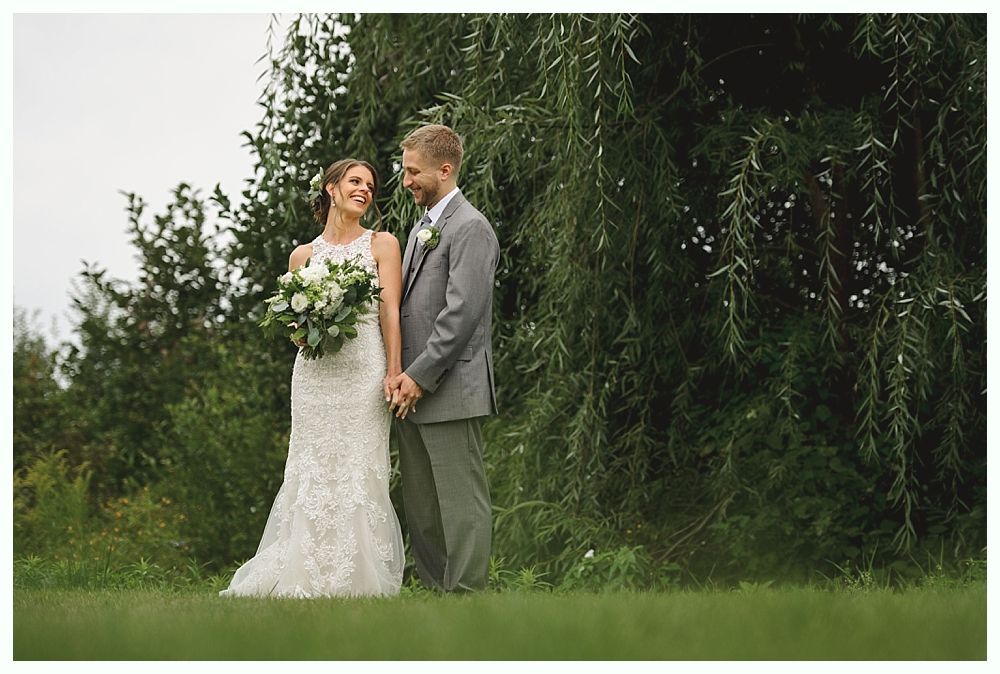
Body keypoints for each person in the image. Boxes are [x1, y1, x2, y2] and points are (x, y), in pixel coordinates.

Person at [221, 159, 405, 598]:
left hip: (364, 371)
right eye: (355, 181)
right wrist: (311, 323)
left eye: (370, 185)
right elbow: (293, 328)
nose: (364, 189)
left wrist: (395, 371)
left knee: (359, 466)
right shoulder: (302, 255)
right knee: (312, 467)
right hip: (314, 377)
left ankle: (354, 575)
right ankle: (302, 570)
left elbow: (390, 312)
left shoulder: (383, 244)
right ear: (331, 189)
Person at [388, 124, 500, 592]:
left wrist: (418, 376)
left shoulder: (471, 227)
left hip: (448, 387)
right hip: (412, 391)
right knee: (421, 503)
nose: (406, 179)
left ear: (445, 169)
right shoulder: (421, 227)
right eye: (405, 169)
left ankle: (467, 593)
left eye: (414, 171)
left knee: (460, 501)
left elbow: (461, 315)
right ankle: (434, 590)